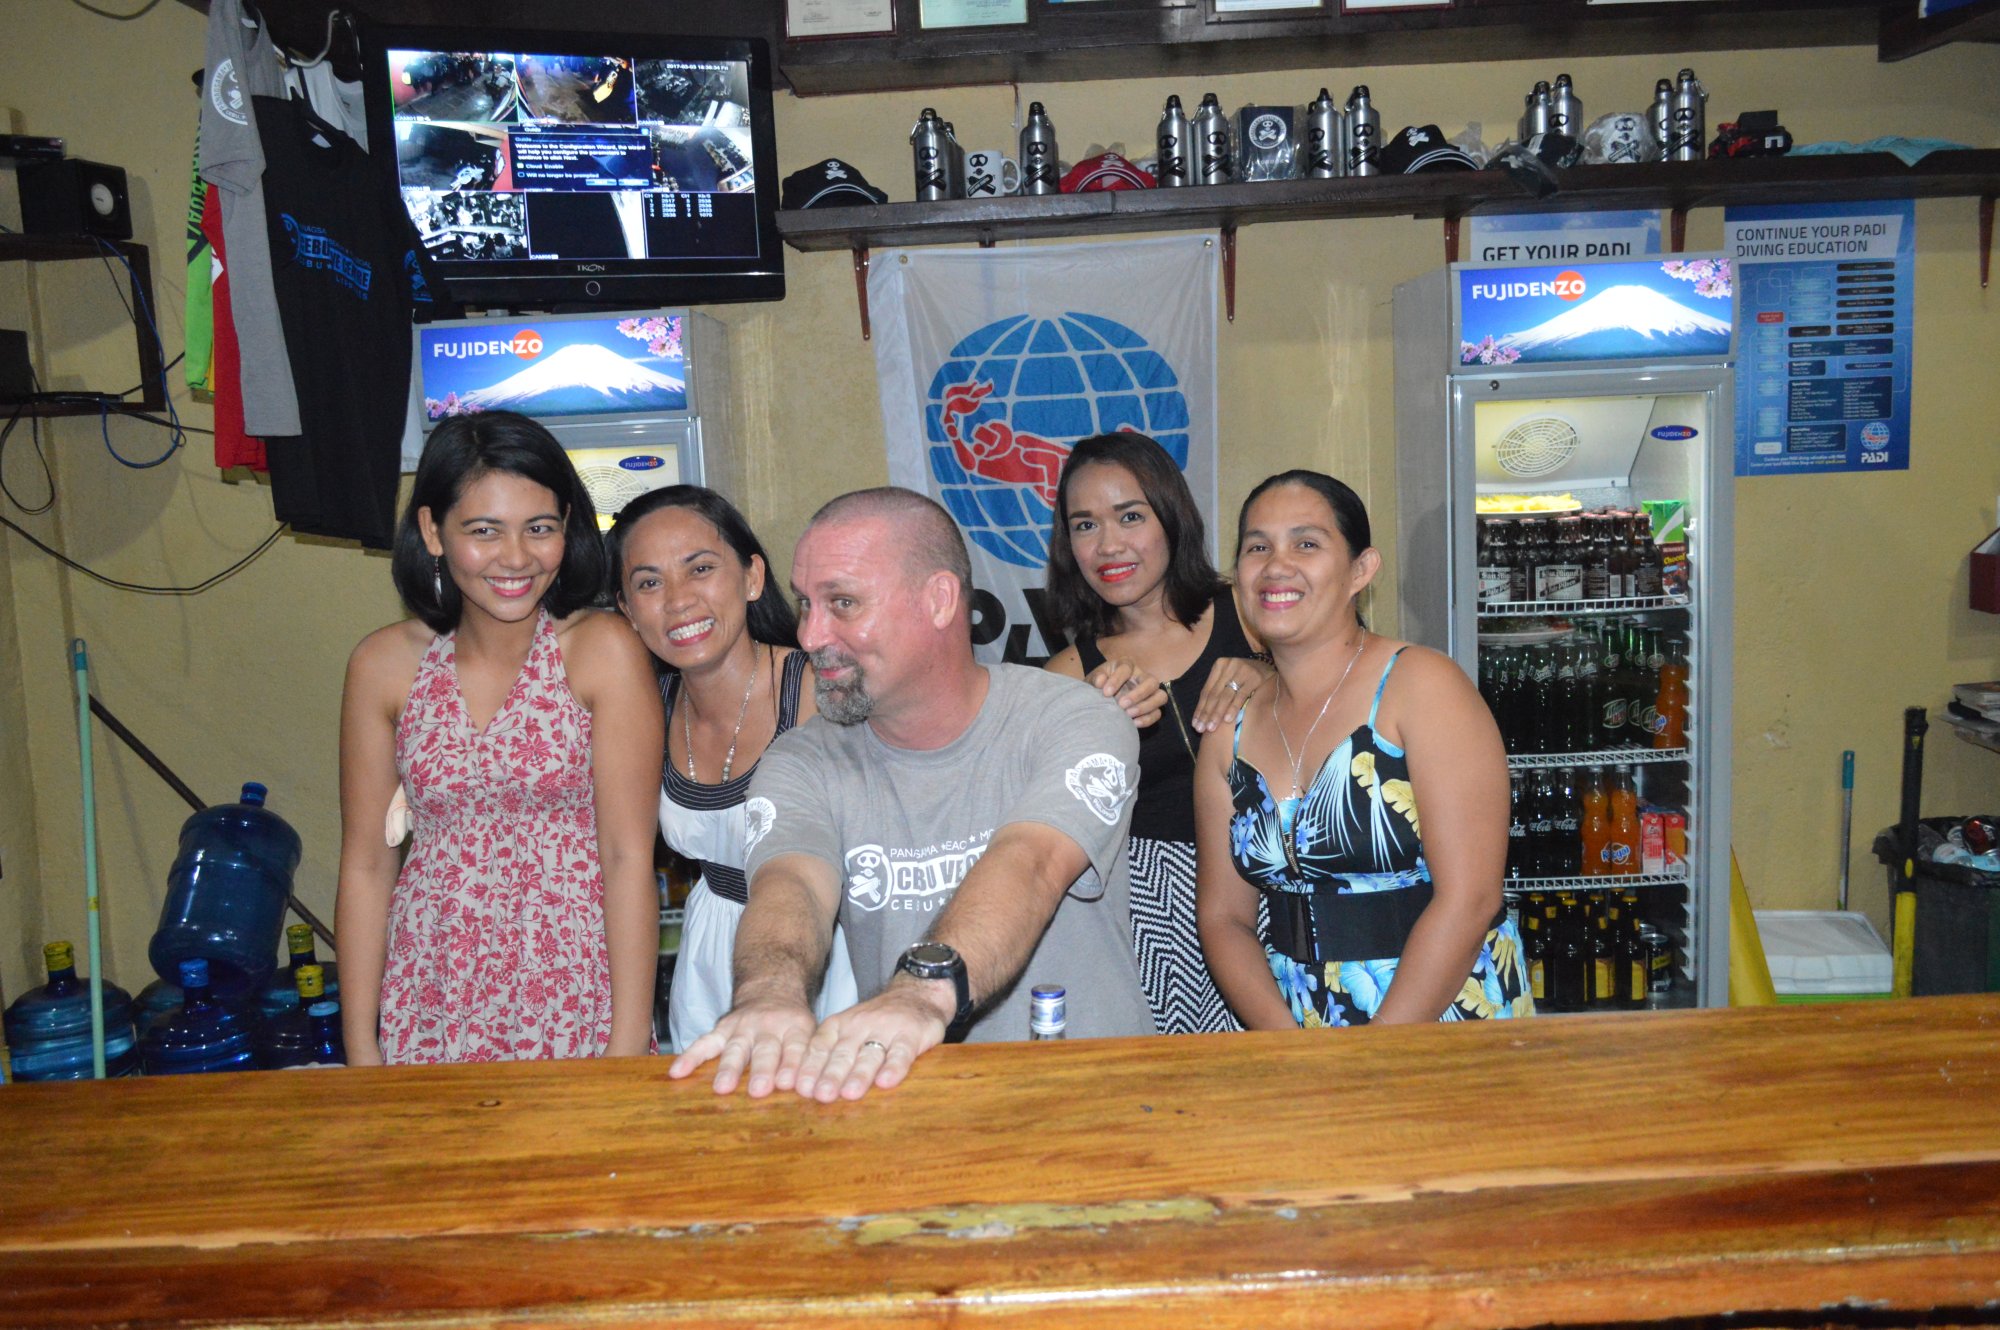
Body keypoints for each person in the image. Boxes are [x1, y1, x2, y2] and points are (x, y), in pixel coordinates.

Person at [670, 486, 1155, 1101]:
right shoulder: (801, 760)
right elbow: (791, 886)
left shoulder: (1074, 719)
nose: (811, 635)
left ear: (939, 600)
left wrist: (921, 993)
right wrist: (769, 995)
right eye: (806, 603)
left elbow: (1031, 863)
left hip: (1097, 1099)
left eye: (843, 603)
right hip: (911, 1105)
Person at [335, 410, 663, 1064]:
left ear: (566, 527)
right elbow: (367, 865)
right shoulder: (383, 665)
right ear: (433, 531)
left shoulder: (601, 650)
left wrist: (626, 1045)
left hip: (573, 989)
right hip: (433, 992)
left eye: (539, 528)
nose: (516, 557)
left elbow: (628, 857)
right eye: (484, 531)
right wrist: (360, 1045)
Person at [1194, 470, 1533, 1028]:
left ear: (1361, 570)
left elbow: (1470, 899)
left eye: (1306, 544)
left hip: (1445, 1009)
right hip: (1299, 1018)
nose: (1277, 565)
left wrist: (1374, 1053)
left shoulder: (1422, 685)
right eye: (1258, 547)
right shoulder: (1228, 728)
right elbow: (1223, 918)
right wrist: (1285, 1044)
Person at [605, 485, 858, 1054]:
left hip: (828, 955)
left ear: (752, 577)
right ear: (626, 611)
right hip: (709, 962)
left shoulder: (822, 690)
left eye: (700, 569)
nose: (678, 600)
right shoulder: (646, 710)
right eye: (649, 583)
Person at [1043, 432, 1272, 1035]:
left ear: (1172, 517)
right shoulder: (1067, 675)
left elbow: (1351, 694)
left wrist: (1272, 676)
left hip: (1277, 887)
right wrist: (1091, 732)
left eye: (1130, 516)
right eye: (1085, 525)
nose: (1108, 545)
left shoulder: (1254, 614)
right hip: (1148, 912)